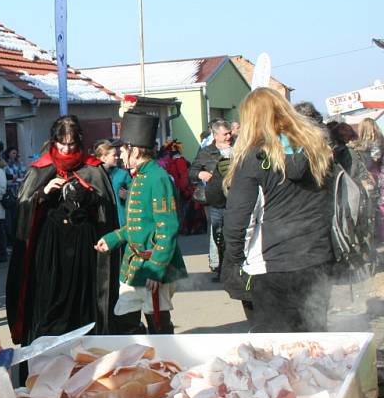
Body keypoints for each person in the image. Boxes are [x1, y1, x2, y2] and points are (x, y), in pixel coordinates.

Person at [6, 115, 119, 368]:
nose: (67, 149)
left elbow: (106, 212)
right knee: (49, 305)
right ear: (54, 141)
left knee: (81, 306)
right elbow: (23, 209)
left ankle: (84, 365)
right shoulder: (40, 168)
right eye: (62, 144)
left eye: (71, 144)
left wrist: (89, 198)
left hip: (84, 250)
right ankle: (43, 367)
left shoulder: (93, 168)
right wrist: (43, 194)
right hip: (49, 251)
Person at [221, 87, 334, 332]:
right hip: (317, 259)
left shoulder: (253, 160)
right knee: (313, 341)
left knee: (275, 351)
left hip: (272, 267)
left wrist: (233, 263)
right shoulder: (318, 151)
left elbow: (238, 221)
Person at [95, 113, 187, 334]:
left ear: (135, 151)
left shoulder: (158, 177)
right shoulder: (139, 176)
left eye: (124, 151)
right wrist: (113, 238)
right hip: (133, 263)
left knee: (157, 324)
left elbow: (167, 228)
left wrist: (156, 269)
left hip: (154, 265)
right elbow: (138, 224)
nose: (120, 155)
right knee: (124, 321)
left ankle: (164, 365)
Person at [189, 119, 233, 281]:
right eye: (225, 134)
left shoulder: (239, 148)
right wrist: (200, 174)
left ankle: (234, 270)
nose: (229, 136)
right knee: (218, 236)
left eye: (229, 133)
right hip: (216, 200)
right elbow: (192, 171)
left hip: (237, 199)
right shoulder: (207, 152)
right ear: (215, 135)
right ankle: (221, 270)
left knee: (234, 235)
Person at [350, 117, 384, 241]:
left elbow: (374, 160)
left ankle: (379, 235)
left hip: (372, 177)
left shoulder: (363, 145)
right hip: (376, 175)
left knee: (377, 207)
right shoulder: (379, 141)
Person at [93, 139, 131, 228]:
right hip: (102, 222)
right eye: (114, 155)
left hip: (121, 221)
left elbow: (134, 193)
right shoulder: (94, 175)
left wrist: (127, 195)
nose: (117, 157)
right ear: (103, 158)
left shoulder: (123, 174)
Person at [3, 145, 27, 244]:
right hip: (10, 192)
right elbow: (6, 178)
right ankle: (10, 237)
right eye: (13, 153)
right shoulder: (5, 164)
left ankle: (17, 235)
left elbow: (24, 173)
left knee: (17, 215)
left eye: (16, 153)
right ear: (8, 153)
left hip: (18, 191)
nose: (15, 155)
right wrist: (13, 178)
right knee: (10, 217)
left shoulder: (19, 163)